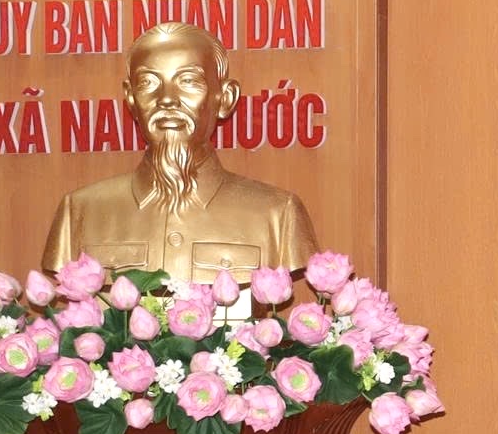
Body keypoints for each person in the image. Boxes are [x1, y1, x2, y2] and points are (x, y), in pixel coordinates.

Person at [41, 22, 317, 291]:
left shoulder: (278, 214)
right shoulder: (79, 211)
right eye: (148, 82)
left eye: (188, 81)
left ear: (225, 98)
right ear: (131, 98)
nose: (167, 99)